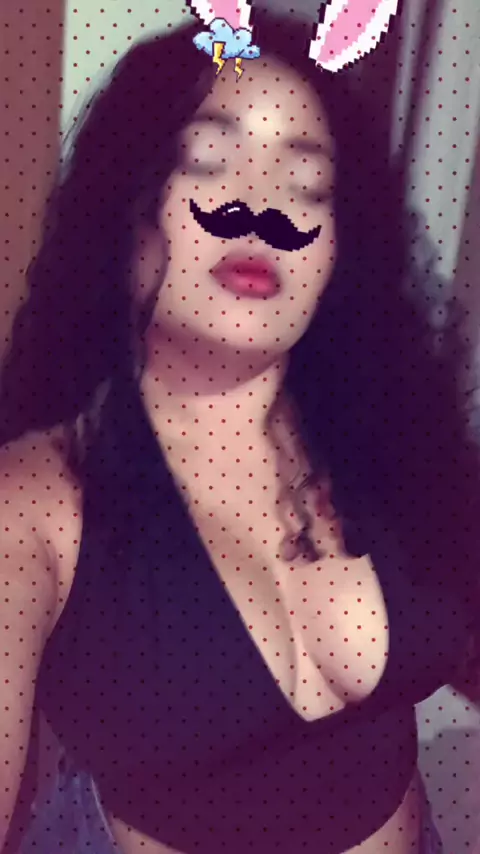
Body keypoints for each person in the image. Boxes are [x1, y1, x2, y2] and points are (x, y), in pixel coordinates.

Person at [0, 11, 479, 854]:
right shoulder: (37, 504)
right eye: (207, 162)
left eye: (307, 186)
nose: (259, 208)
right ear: (125, 212)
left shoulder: (387, 435)